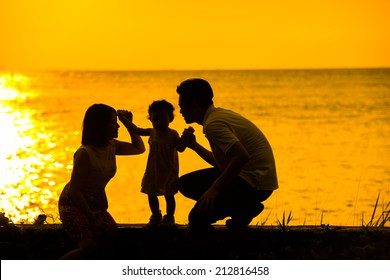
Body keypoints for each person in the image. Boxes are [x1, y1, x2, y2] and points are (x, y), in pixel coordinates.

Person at [176, 78, 278, 231]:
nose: (181, 111)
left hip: (255, 184)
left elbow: (241, 157)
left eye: (182, 106)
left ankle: (243, 208)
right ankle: (243, 209)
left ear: (195, 106)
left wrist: (215, 188)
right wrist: (194, 146)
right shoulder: (217, 116)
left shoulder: (214, 125)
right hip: (251, 179)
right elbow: (224, 163)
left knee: (197, 219)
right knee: (185, 184)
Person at [58, 104, 145, 259]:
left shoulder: (111, 145)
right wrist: (92, 218)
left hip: (96, 204)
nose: (117, 125)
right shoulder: (85, 153)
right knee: (89, 247)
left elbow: (139, 148)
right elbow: (74, 191)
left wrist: (128, 124)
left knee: (111, 235)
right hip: (74, 204)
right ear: (100, 126)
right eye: (113, 122)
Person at [132, 100, 193, 228]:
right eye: (156, 119)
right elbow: (136, 130)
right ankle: (155, 215)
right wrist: (125, 120)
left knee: (169, 194)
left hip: (169, 170)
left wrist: (187, 136)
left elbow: (181, 148)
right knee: (151, 192)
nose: (159, 122)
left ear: (170, 119)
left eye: (163, 119)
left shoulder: (172, 134)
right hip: (153, 170)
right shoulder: (151, 132)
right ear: (150, 119)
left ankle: (169, 217)